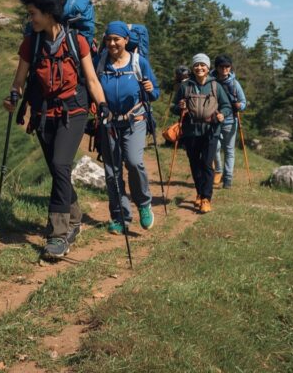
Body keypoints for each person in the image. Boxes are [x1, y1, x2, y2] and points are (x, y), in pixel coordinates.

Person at [3, 0, 107, 260]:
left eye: (33, 13)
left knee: (61, 164)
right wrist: (14, 97)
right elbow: (19, 80)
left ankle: (59, 235)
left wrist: (103, 105)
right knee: (57, 170)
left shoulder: (77, 42)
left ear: (49, 13)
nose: (30, 19)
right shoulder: (31, 43)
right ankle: (75, 218)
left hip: (74, 111)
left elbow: (92, 79)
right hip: (43, 114)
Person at [95, 21, 160, 233]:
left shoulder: (138, 62)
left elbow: (154, 94)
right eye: (109, 39)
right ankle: (120, 216)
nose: (112, 43)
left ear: (126, 40)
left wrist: (150, 89)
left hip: (135, 120)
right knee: (112, 171)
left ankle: (143, 204)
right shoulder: (101, 62)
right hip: (109, 122)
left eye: (117, 39)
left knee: (133, 161)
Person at [171, 53, 232, 214]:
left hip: (211, 130)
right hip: (190, 130)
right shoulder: (186, 86)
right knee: (195, 164)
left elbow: (226, 106)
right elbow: (173, 107)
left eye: (202, 65)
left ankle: (206, 198)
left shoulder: (216, 86)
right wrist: (180, 107)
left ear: (208, 68)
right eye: (196, 65)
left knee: (206, 163)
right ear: (193, 68)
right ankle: (199, 192)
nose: (199, 68)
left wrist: (222, 115)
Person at [211, 55, 247, 189]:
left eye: (227, 66)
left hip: (230, 121)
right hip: (213, 120)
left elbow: (244, 102)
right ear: (217, 67)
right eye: (222, 66)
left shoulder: (234, 83)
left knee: (229, 150)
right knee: (215, 147)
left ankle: (228, 179)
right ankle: (219, 170)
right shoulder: (210, 81)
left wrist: (240, 106)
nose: (225, 69)